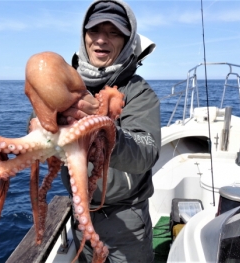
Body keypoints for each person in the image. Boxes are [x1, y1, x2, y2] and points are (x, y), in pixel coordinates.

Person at [29, 0, 161, 262]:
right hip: (80, 214)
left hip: (126, 221)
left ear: (127, 41)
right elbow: (42, 137)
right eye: (95, 31)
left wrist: (104, 133)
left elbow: (146, 152)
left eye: (113, 33)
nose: (102, 40)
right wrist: (41, 129)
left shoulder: (138, 92)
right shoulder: (67, 84)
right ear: (84, 35)